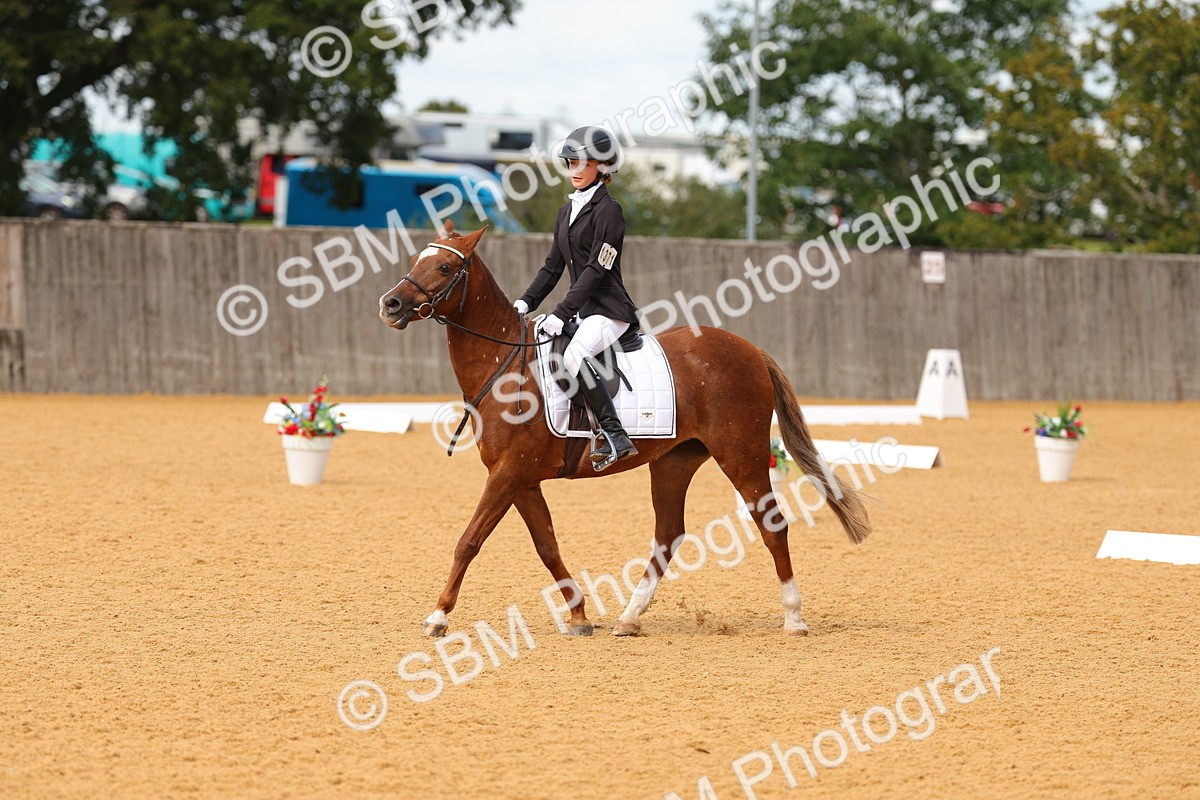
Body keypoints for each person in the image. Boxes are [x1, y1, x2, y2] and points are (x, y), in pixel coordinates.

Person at [514, 125, 640, 471]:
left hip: (609, 310)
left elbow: (596, 271)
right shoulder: (565, 212)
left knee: (574, 356)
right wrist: (525, 302)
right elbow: (552, 267)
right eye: (569, 163)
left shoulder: (609, 211)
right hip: (582, 312)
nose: (573, 170)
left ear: (602, 166)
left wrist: (560, 312)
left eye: (581, 163)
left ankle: (615, 435)